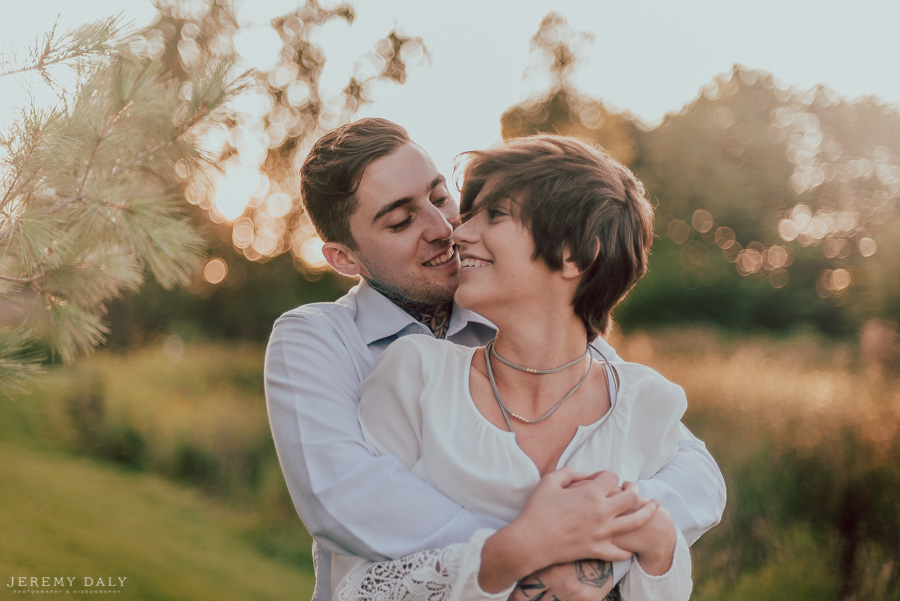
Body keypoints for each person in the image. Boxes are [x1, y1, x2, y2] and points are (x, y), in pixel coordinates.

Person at [264, 118, 726, 601]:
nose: (445, 229)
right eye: (402, 221)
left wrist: (604, 530)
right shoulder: (319, 339)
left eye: (441, 197)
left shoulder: (528, 320)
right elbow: (345, 498)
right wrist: (535, 546)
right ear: (344, 259)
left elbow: (690, 468)